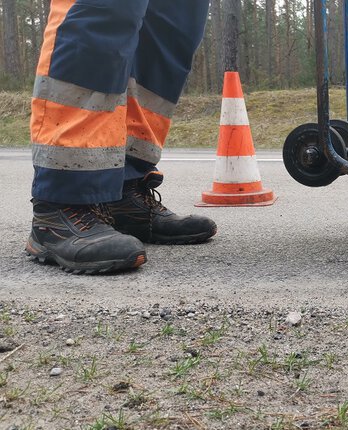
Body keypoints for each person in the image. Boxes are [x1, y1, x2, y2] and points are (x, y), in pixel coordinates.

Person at [25, 0, 216, 274]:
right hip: (62, 192)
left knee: (173, 23)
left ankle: (123, 193)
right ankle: (62, 204)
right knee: (105, 10)